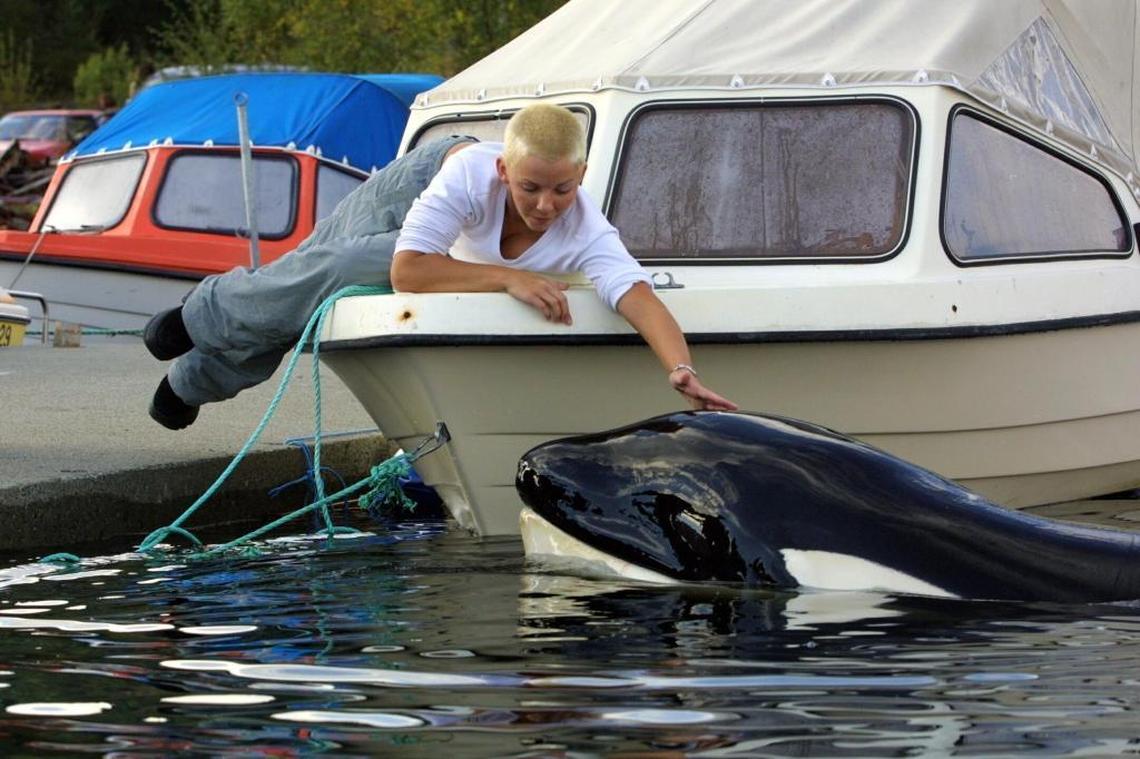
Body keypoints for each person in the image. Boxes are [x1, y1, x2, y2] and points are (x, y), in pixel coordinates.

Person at [144, 103, 736, 429]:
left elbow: (638, 296)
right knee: (333, 269)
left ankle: (191, 380)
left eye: (561, 190)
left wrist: (679, 368)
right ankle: (200, 317)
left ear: (580, 178)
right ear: (505, 172)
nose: (544, 206)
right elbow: (408, 272)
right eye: (531, 187)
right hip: (420, 189)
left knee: (309, 306)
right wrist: (509, 277)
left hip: (447, 254)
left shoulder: (588, 231)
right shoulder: (472, 175)